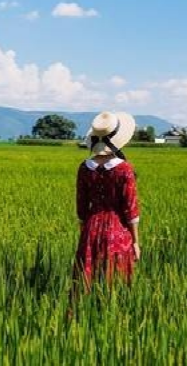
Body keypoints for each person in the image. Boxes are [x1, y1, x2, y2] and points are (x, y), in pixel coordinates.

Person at [73, 111, 141, 291]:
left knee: (87, 279)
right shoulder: (124, 169)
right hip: (117, 229)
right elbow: (130, 208)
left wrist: (85, 231)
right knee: (115, 282)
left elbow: (81, 206)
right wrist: (135, 241)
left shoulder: (84, 168)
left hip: (90, 227)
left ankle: (83, 312)